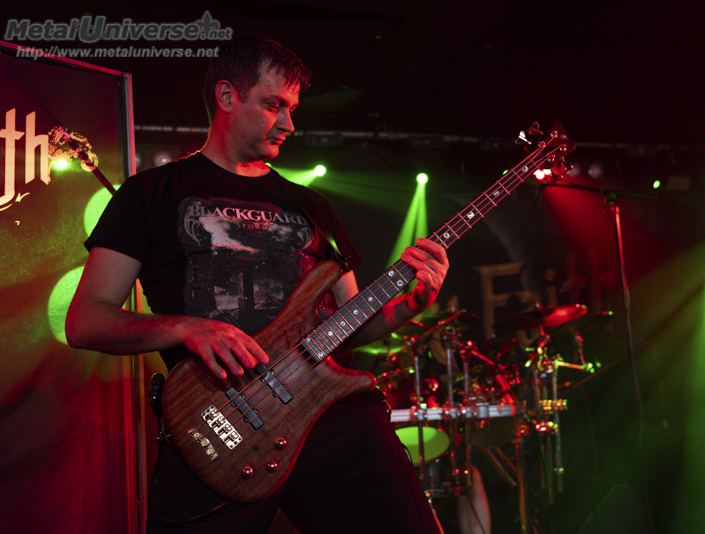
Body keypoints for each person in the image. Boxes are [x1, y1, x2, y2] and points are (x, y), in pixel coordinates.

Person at [65, 33, 449, 533]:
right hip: (219, 418)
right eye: (274, 105)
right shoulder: (150, 193)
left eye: (292, 108)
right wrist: (186, 328)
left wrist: (412, 304)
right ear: (228, 96)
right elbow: (86, 321)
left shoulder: (313, 206)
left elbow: (351, 324)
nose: (289, 123)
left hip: (331, 417)